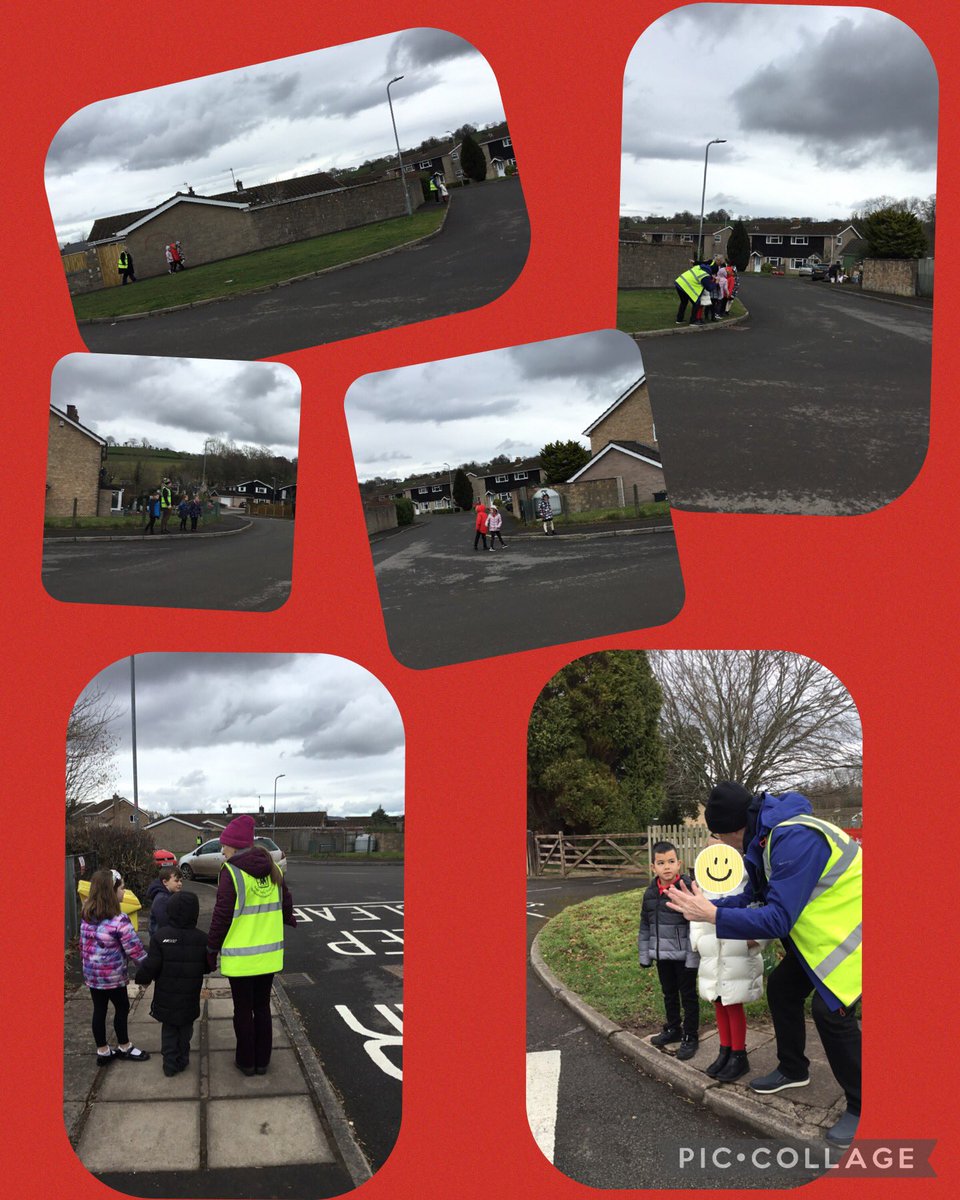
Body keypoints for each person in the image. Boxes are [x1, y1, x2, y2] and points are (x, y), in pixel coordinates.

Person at [667, 782, 862, 1149]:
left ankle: (863, 1103)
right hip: (823, 939)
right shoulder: (766, 839)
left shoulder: (795, 839)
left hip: (857, 938)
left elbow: (777, 920)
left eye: (722, 838)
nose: (724, 846)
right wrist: (712, 906)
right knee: (783, 989)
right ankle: (793, 1069)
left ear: (735, 829)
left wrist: (713, 915)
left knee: (830, 1013)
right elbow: (755, 894)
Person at [206, 815, 296, 1076]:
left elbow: (221, 916)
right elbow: (286, 899)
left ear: (234, 846)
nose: (222, 850)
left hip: (241, 959)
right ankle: (262, 1061)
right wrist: (288, 918)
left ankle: (246, 1062)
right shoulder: (274, 869)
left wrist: (211, 950)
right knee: (262, 1007)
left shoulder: (231, 872)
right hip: (268, 957)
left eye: (224, 845)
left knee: (243, 1010)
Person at [689, 843, 768, 1082]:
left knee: (733, 1003)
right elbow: (697, 919)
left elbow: (761, 915)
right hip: (713, 955)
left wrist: (751, 942)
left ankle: (738, 1054)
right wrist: (702, 943)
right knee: (718, 1001)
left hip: (738, 955)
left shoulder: (748, 885)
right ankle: (724, 1049)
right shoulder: (704, 887)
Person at [80, 868, 151, 1065]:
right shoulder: (119, 919)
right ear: (112, 891)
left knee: (99, 1010)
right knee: (122, 1007)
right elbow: (135, 949)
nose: (124, 892)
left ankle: (103, 1051)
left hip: (92, 976)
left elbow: (83, 944)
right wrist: (149, 966)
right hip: (113, 977)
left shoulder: (86, 914)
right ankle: (124, 1046)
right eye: (122, 888)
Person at [135, 891, 208, 1076]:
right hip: (189, 996)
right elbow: (207, 966)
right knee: (185, 1030)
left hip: (166, 997)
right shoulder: (202, 939)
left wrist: (141, 978)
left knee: (169, 1031)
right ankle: (182, 1059)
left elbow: (151, 965)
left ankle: (169, 1064)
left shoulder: (161, 936)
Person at [638, 842, 700, 1060]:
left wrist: (693, 958)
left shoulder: (687, 889)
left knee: (688, 995)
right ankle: (674, 1028)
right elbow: (645, 925)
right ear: (653, 866)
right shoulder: (650, 893)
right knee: (669, 994)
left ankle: (691, 1035)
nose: (667, 867)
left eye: (671, 862)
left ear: (679, 864)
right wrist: (645, 954)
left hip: (684, 956)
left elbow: (696, 926)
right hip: (662, 955)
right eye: (661, 863)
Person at [146, 866, 183, 940]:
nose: (180, 884)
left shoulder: (169, 895)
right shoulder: (162, 899)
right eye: (176, 881)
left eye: (181, 881)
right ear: (165, 882)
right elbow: (164, 923)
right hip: (161, 939)